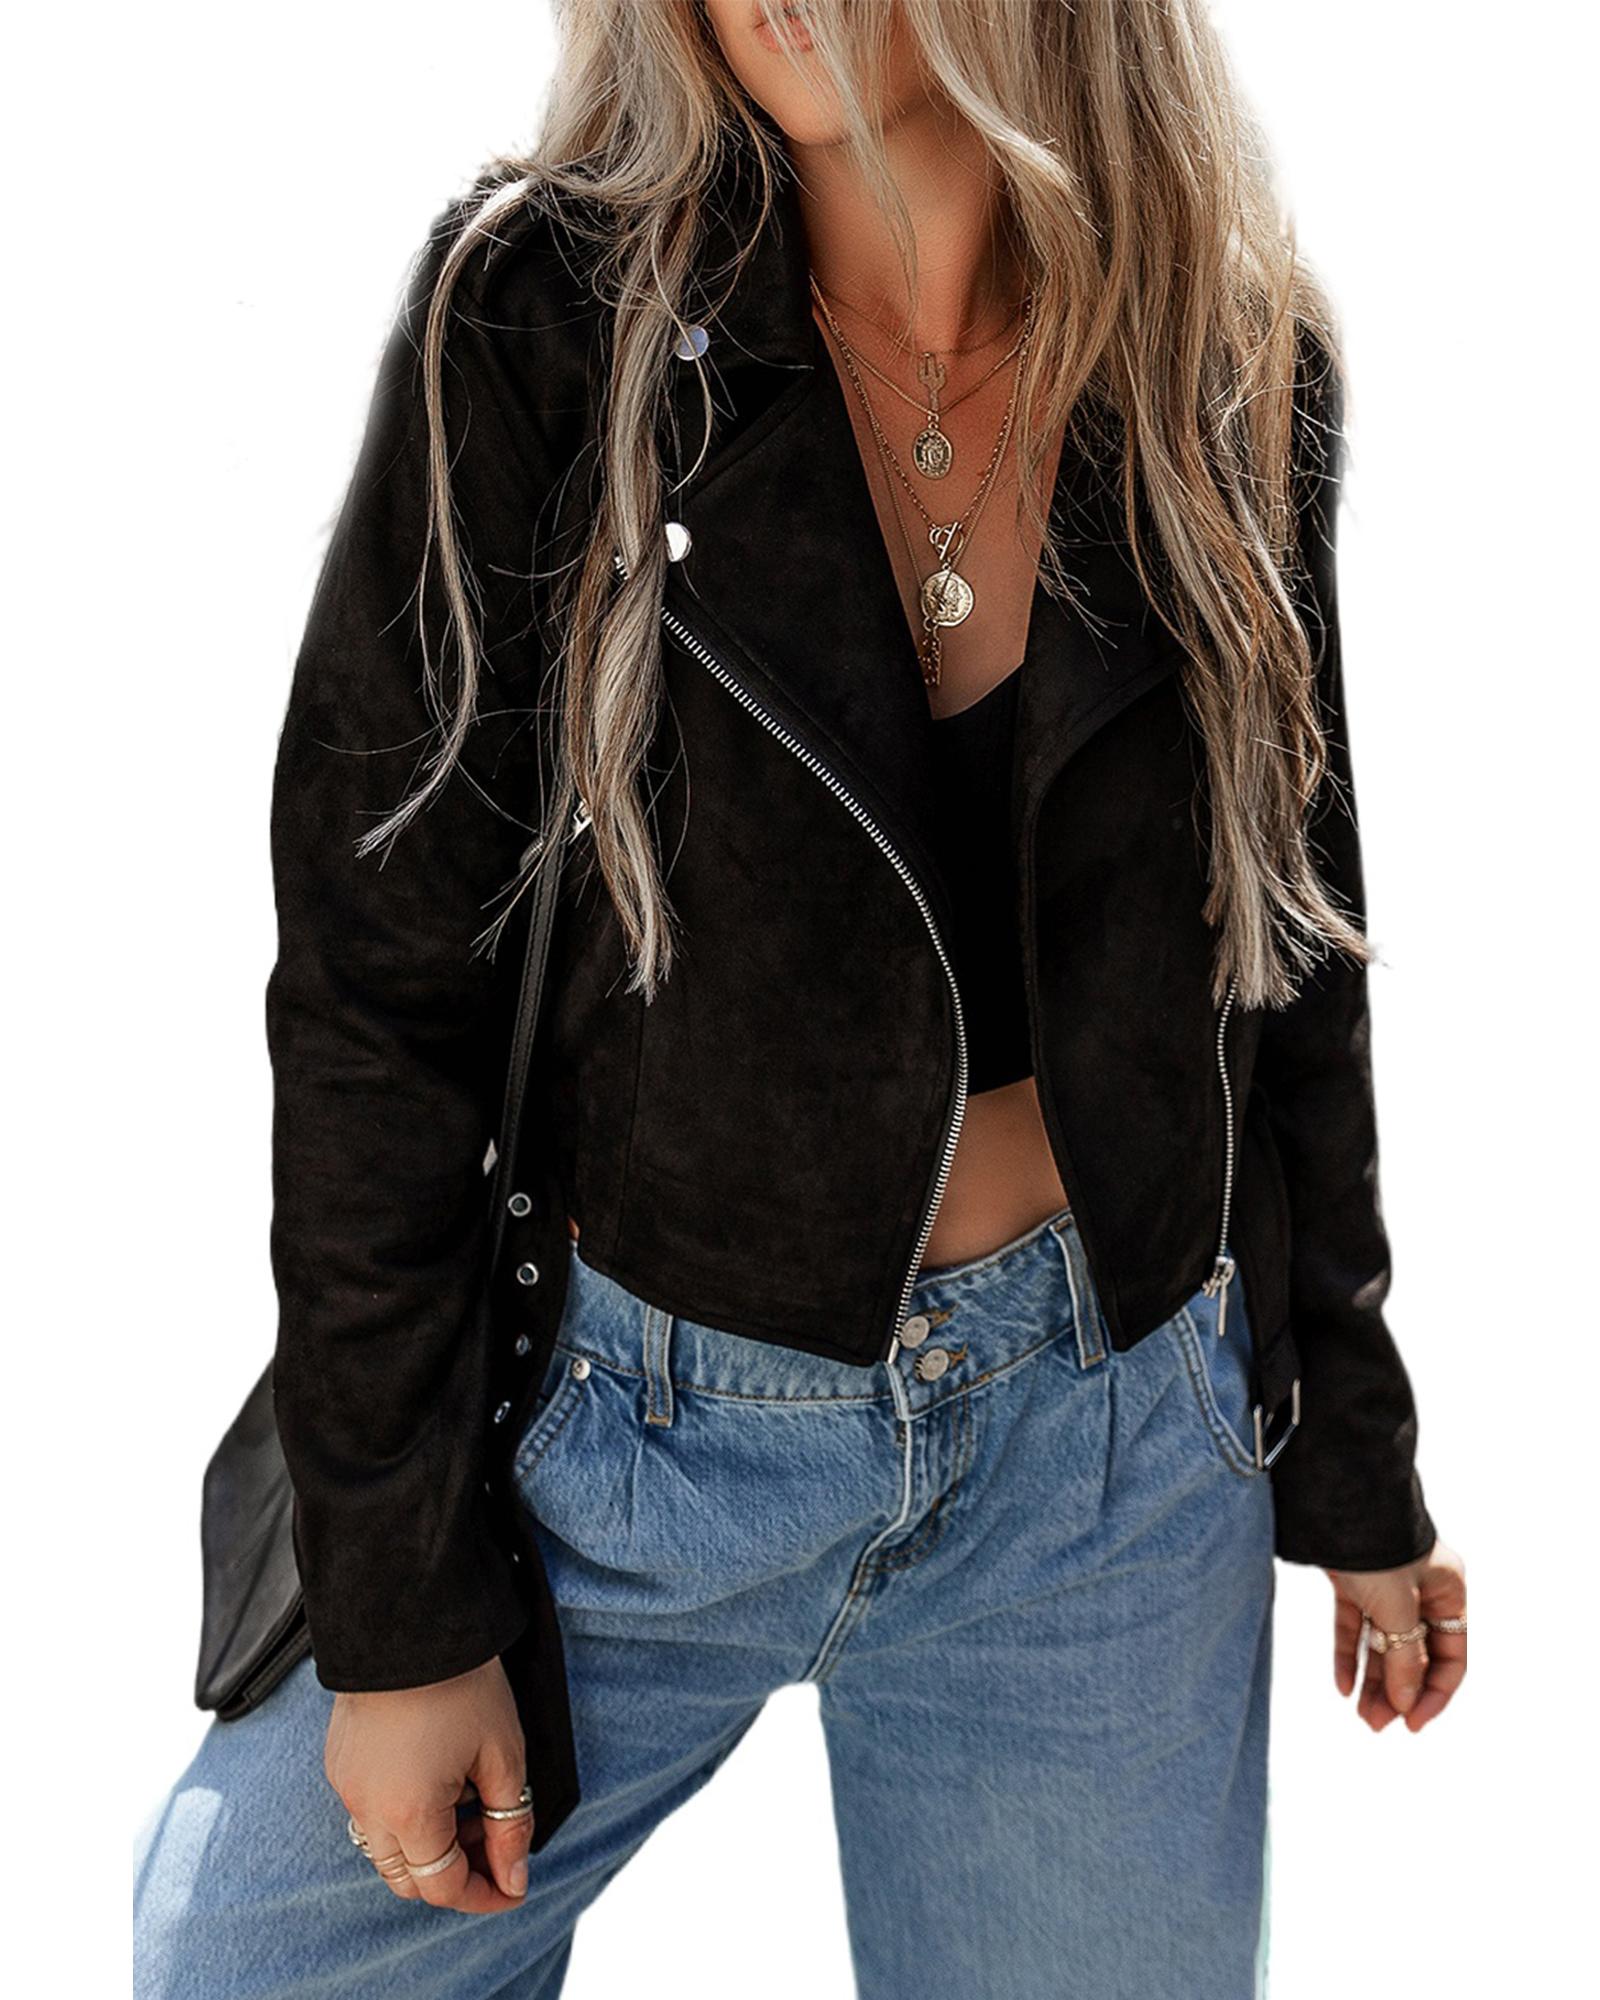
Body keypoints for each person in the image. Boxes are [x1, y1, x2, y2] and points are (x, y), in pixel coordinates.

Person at [134, 3, 1469, 1994]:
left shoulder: (1225, 356)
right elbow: (375, 995)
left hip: (1106, 1461)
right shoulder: (543, 322)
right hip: (635, 1431)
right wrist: (401, 1609)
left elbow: (1284, 936)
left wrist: (1349, 1450)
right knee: (239, 1948)